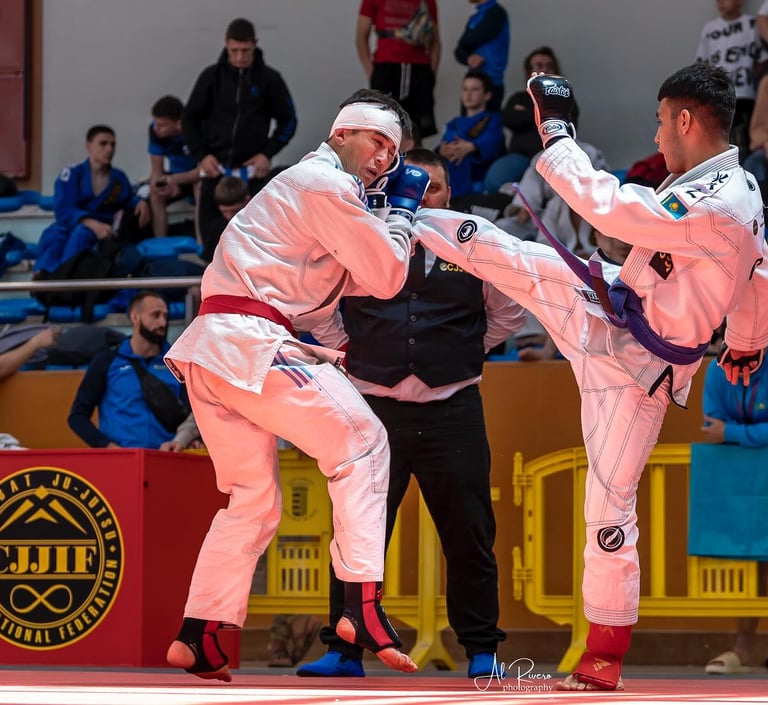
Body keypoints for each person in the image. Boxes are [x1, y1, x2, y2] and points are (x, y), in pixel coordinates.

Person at [411, 63, 768, 691]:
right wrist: (745, 343)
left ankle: (603, 653)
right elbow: (757, 276)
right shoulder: (733, 190)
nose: (656, 136)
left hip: (637, 373)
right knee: (501, 250)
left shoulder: (718, 201)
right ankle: (393, 216)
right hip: (604, 303)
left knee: (608, 506)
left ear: (686, 120)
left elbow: (614, 210)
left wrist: (557, 132)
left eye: (661, 122)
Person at [162, 88, 430, 682]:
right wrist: (403, 214)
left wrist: (343, 346)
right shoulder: (323, 183)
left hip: (216, 351)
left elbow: (332, 299)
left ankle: (199, 633)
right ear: (341, 133)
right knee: (364, 443)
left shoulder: (312, 195)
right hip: (247, 343)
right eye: (377, 141)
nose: (384, 158)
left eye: (393, 152)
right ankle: (360, 607)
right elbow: (387, 276)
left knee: (252, 500)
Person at [298, 148, 525, 679]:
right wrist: (352, 352)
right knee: (357, 532)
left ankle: (482, 650)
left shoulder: (474, 241)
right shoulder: (361, 240)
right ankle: (344, 651)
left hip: (453, 409)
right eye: (412, 190)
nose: (422, 200)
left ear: (450, 195)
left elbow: (508, 311)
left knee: (469, 534)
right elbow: (320, 310)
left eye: (434, 189)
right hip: (373, 410)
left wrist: (462, 351)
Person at [183, 18, 297, 262]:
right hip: (215, 171)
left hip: (252, 173)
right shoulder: (211, 77)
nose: (240, 57)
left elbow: (289, 121)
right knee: (211, 245)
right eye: (234, 50)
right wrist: (201, 156)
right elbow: (189, 120)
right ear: (226, 44)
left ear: (255, 43)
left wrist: (267, 153)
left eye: (245, 50)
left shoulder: (269, 79)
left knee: (256, 242)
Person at [700, 343, 768, 675]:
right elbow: (710, 426)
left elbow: (721, 430)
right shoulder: (716, 370)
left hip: (749, 469)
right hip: (744, 480)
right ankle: (743, 648)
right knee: (752, 558)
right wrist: (754, 435)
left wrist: (732, 432)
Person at [68, 290, 192, 450]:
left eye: (165, 316)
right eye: (155, 315)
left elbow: (193, 415)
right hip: (121, 459)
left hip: (167, 456)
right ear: (135, 317)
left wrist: (185, 440)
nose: (162, 323)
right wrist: (107, 446)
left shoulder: (176, 363)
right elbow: (77, 417)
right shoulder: (106, 361)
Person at [33, 125, 150, 275]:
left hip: (103, 231)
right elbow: (63, 209)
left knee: (82, 234)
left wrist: (140, 202)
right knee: (54, 234)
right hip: (72, 224)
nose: (109, 149)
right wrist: (91, 223)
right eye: (103, 144)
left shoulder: (118, 178)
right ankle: (43, 276)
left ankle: (65, 278)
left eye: (113, 144)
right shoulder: (72, 174)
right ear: (89, 146)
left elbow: (127, 199)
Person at [483, 46, 576, 193]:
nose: (544, 69)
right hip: (520, 157)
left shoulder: (565, 98)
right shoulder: (519, 97)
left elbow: (569, 127)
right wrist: (545, 115)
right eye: (539, 65)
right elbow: (508, 119)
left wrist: (526, 114)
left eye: (549, 65)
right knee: (494, 180)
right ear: (529, 71)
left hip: (553, 156)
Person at [355, 0, 441, 144]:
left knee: (416, 129)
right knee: (382, 126)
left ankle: (413, 158)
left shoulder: (428, 1)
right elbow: (361, 35)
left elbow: (435, 41)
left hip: (419, 68)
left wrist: (431, 75)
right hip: (386, 66)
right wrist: (370, 70)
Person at [695, 0, 762, 159]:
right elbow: (701, 63)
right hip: (718, 96)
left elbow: (761, 59)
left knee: (743, 138)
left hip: (745, 94)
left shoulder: (752, 25)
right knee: (720, 138)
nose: (720, 2)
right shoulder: (711, 28)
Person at [436, 70, 505, 199]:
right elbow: (444, 144)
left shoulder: (493, 120)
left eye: (475, 89)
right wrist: (443, 150)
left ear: (487, 95)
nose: (468, 94)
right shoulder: (454, 123)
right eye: (465, 89)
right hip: (449, 183)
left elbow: (495, 142)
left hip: (477, 184)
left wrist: (472, 147)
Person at [146, 95, 200, 239]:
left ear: (178, 124)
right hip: (175, 177)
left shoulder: (196, 130)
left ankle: (201, 243)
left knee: (199, 187)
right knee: (155, 193)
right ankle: (161, 242)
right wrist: (160, 185)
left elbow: (203, 171)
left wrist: (174, 180)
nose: (156, 128)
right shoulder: (154, 130)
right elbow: (156, 170)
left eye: (162, 125)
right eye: (155, 123)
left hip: (196, 177)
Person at [453, 0, 509, 112]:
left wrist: (465, 48)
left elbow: (471, 39)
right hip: (473, 80)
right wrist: (468, 58)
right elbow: (459, 51)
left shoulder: (496, 13)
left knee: (488, 121)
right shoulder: (475, 17)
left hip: (491, 83)